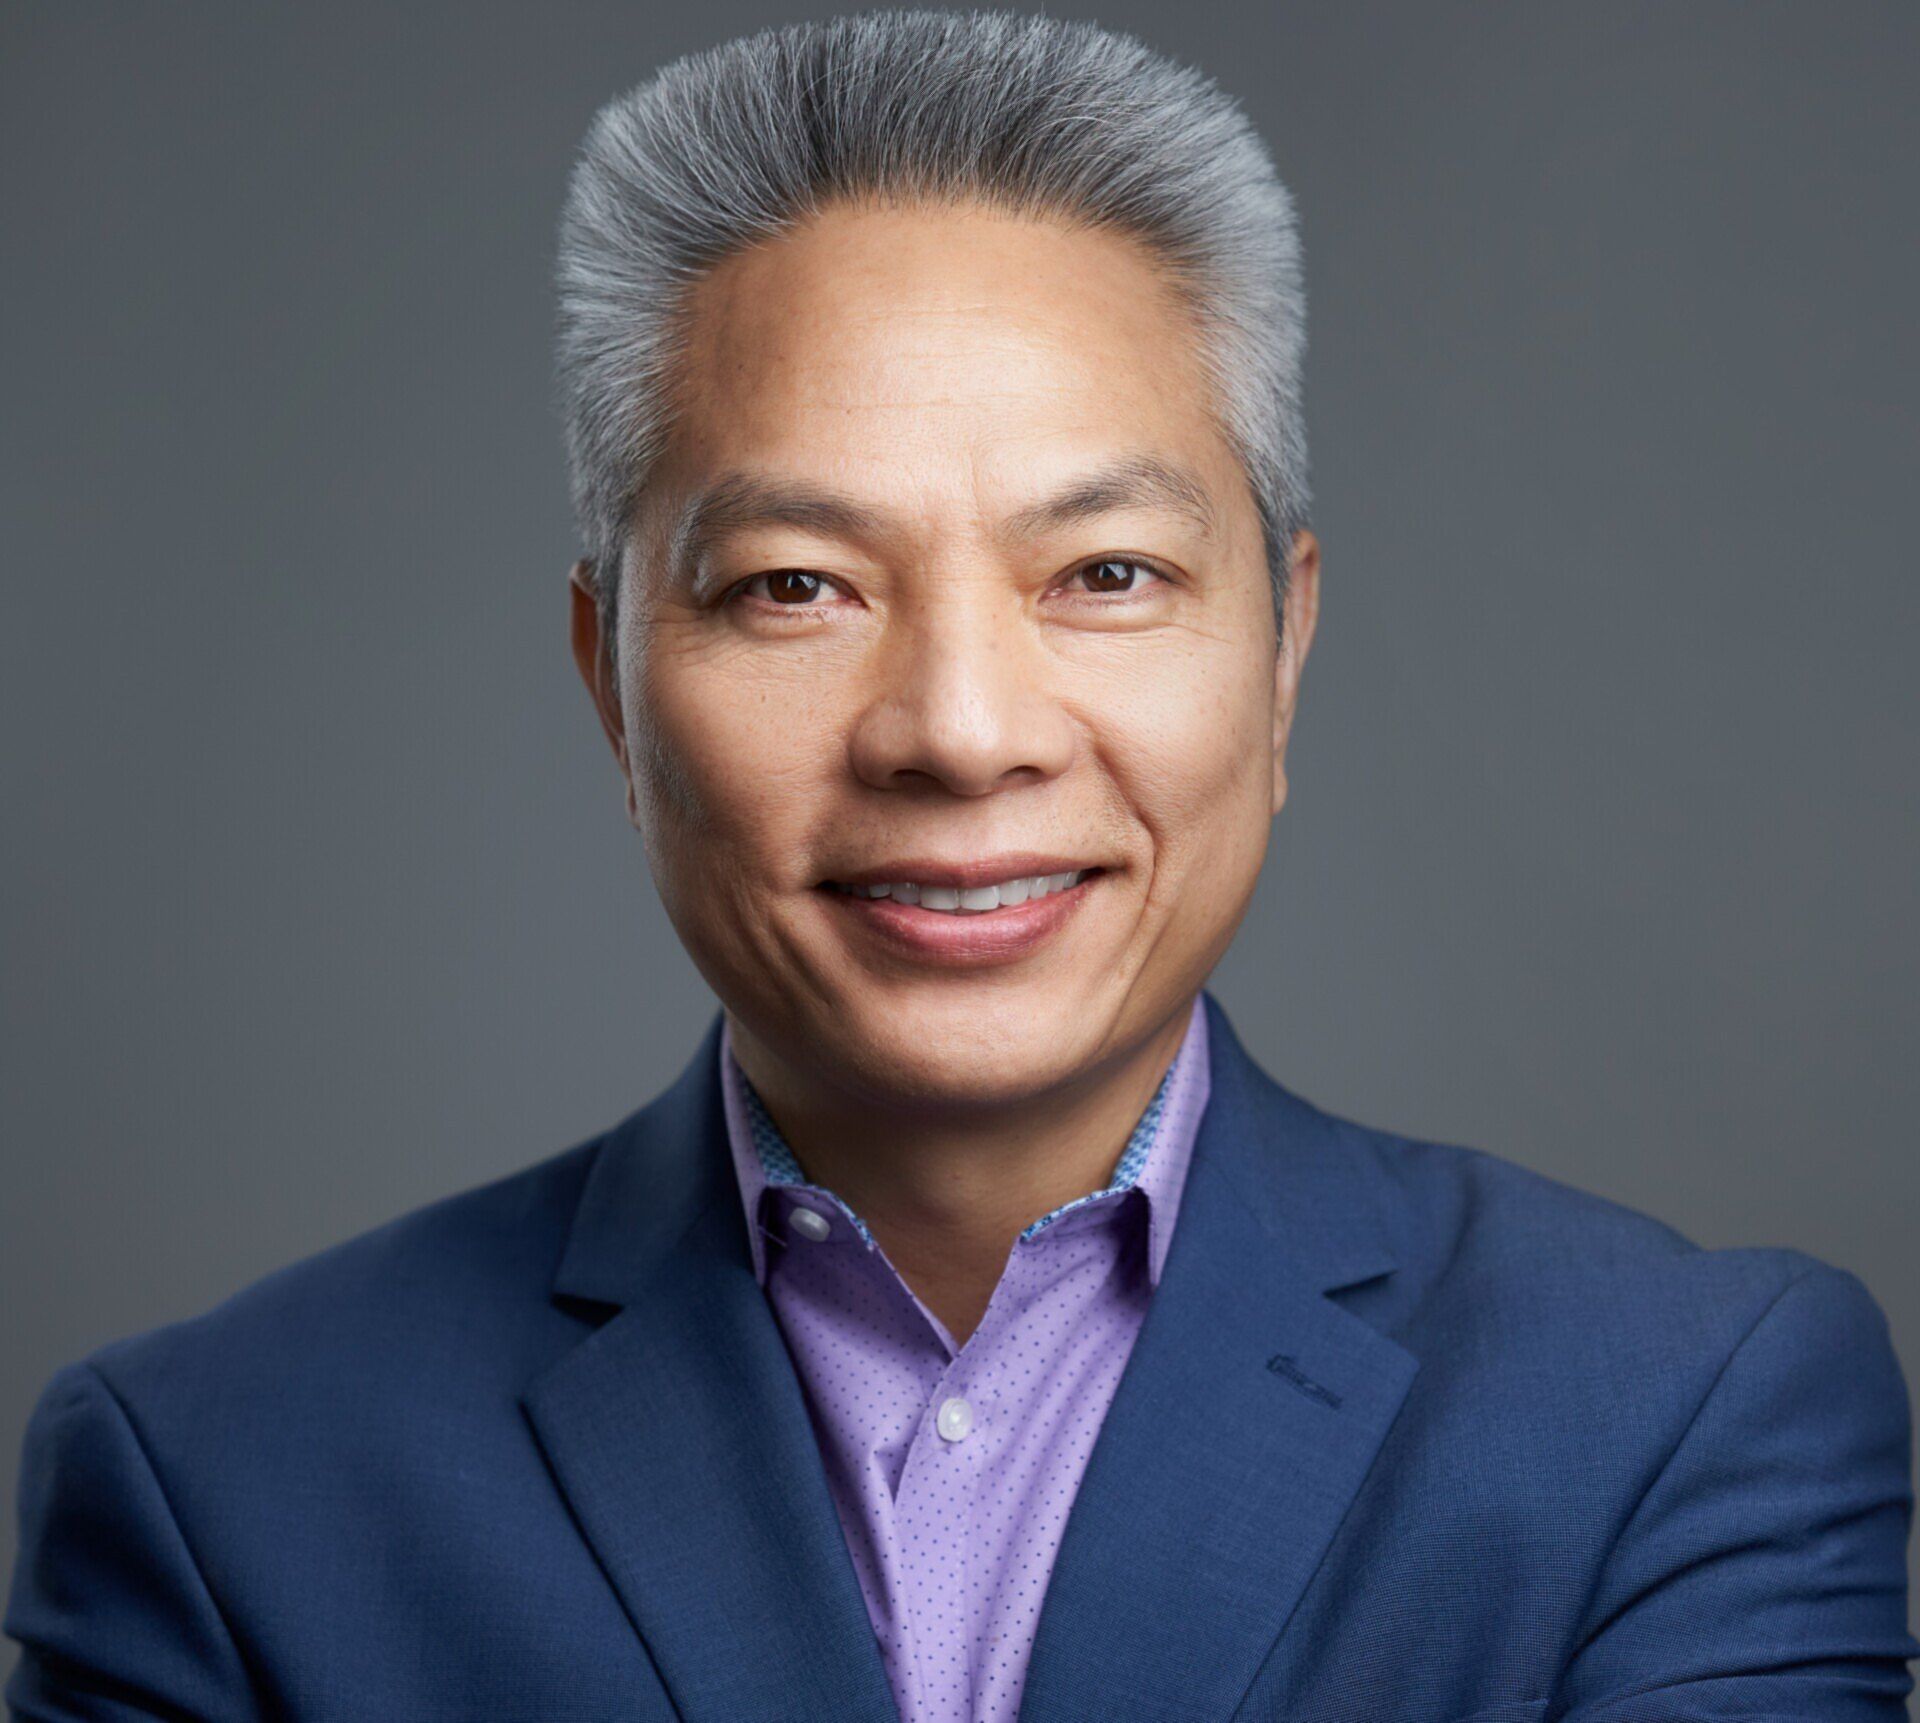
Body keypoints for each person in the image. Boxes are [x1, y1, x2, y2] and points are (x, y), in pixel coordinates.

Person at [6, 11, 1914, 1720]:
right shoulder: (221, 1489)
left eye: (1105, 574)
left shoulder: (1680, 1418)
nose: (961, 728)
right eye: (796, 587)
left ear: (1284, 646)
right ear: (612, 684)